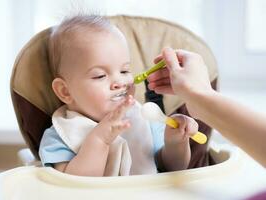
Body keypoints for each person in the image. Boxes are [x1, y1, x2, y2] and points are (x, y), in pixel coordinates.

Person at [38, 14, 199, 176]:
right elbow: (70, 186)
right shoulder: (60, 135)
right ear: (65, 91)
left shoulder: (145, 120)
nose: (119, 82)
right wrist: (99, 140)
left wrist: (175, 142)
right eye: (100, 75)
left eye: (124, 71)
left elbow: (173, 169)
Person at [147, 47, 266, 167]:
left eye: (127, 71)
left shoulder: (144, 118)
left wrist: (175, 143)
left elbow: (169, 168)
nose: (126, 82)